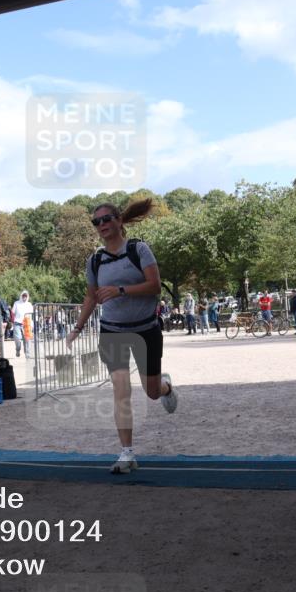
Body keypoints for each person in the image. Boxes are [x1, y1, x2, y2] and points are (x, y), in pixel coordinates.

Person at [66, 199, 177, 475]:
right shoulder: (95, 260)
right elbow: (91, 296)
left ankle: (165, 387)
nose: (101, 225)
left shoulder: (138, 249)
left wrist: (121, 291)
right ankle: (127, 453)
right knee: (121, 391)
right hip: (112, 330)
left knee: (151, 392)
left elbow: (155, 286)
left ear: (118, 221)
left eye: (106, 219)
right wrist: (78, 327)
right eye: (96, 222)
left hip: (145, 328)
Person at [12, 290, 34, 358]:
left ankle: (27, 354)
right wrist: (12, 321)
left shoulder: (29, 304)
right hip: (17, 323)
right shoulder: (16, 303)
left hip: (26, 323)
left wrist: (31, 324)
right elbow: (13, 313)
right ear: (21, 296)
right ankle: (18, 350)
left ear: (27, 297)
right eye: (23, 296)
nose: (24, 297)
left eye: (26, 296)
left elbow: (31, 315)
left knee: (27, 339)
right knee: (18, 339)